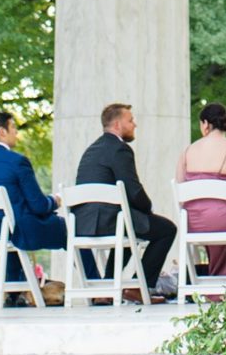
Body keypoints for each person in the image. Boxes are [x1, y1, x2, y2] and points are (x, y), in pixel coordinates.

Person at [0, 110, 68, 304]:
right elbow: (39, 205)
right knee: (68, 228)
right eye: (14, 128)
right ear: (2, 131)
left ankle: (14, 295)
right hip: (13, 231)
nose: (17, 132)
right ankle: (96, 289)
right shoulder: (17, 162)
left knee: (14, 228)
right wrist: (55, 200)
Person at [75, 102, 178, 300]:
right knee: (166, 229)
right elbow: (133, 190)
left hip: (84, 223)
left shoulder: (91, 150)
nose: (134, 125)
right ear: (117, 125)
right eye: (130, 120)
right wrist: (148, 209)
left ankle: (106, 288)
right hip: (110, 221)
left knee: (130, 229)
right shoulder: (120, 149)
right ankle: (141, 288)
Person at [175, 99, 226, 280]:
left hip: (192, 222)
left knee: (212, 215)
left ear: (206, 124)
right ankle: (223, 283)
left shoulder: (188, 150)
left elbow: (179, 185)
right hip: (223, 221)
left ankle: (210, 282)